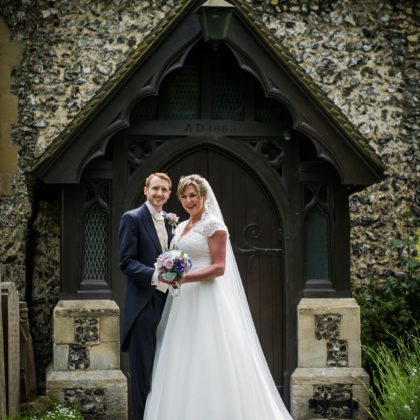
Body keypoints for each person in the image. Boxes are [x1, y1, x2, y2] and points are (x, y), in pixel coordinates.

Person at [144, 174, 293, 420]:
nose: (189, 201)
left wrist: (183, 278)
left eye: (193, 195)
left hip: (207, 296)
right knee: (181, 354)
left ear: (203, 196)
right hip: (182, 301)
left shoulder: (214, 225)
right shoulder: (180, 226)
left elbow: (219, 268)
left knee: (210, 352)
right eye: (184, 196)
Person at [118, 172, 175, 420]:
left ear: (169, 194)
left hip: (170, 304)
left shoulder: (171, 221)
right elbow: (126, 262)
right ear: (146, 190)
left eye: (164, 190)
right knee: (142, 373)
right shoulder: (132, 218)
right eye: (155, 189)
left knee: (165, 368)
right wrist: (156, 276)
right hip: (143, 305)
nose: (159, 194)